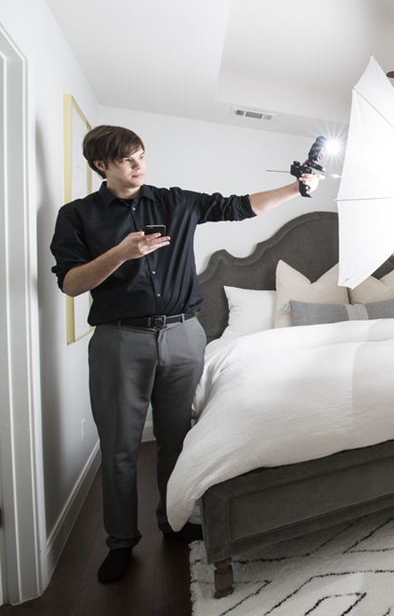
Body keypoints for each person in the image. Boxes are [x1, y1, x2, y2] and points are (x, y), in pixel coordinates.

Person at [49, 125, 323, 583]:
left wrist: (298, 187)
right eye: (128, 160)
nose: (139, 165)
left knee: (177, 439)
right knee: (119, 449)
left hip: (183, 335)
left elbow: (240, 206)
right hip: (120, 340)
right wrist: (120, 253)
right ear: (101, 166)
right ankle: (120, 542)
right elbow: (71, 283)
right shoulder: (78, 215)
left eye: (141, 155)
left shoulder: (174, 201)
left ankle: (173, 521)